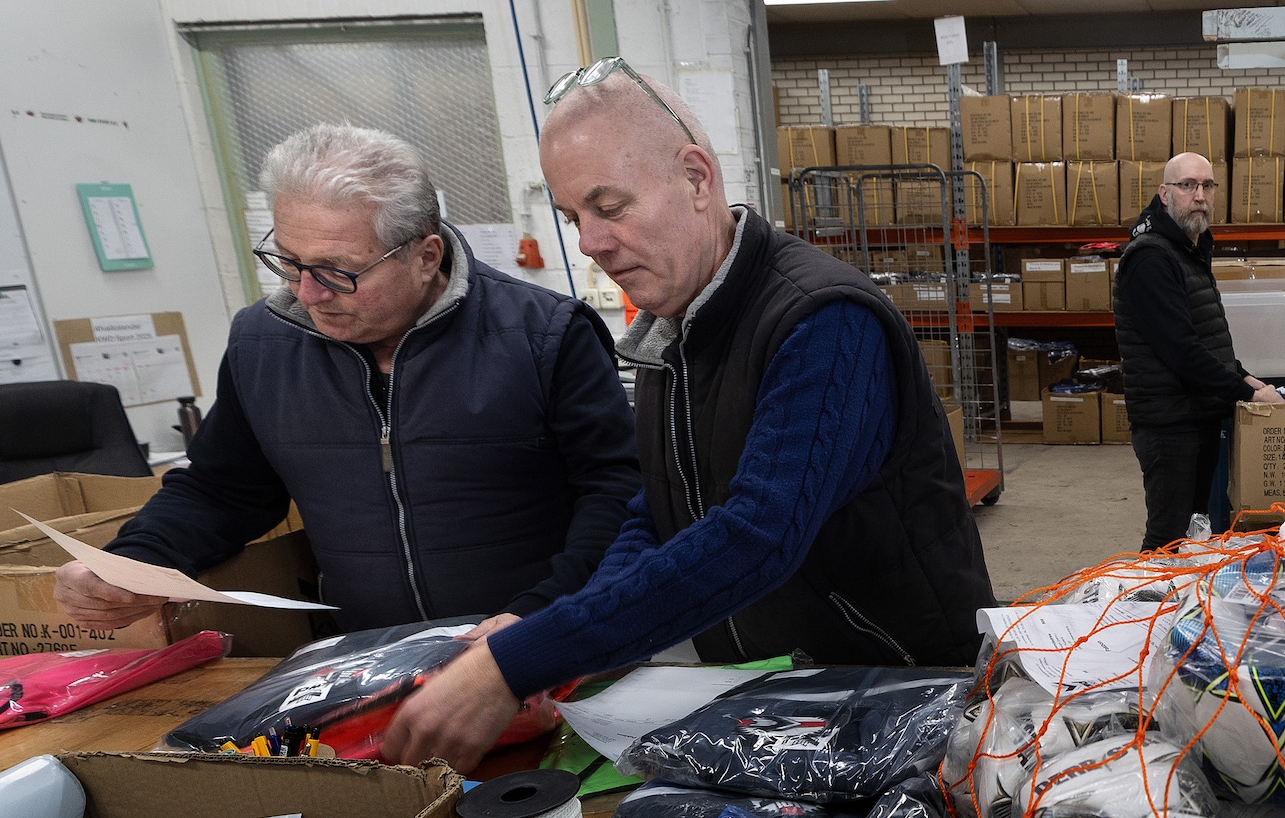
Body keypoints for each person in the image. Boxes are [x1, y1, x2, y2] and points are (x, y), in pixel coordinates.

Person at [380, 63, 993, 771]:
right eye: (574, 217)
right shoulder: (674, 329)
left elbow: (756, 535)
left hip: (904, 692)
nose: (589, 243)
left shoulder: (823, 320)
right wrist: (562, 639)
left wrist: (517, 663)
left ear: (697, 179)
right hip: (779, 693)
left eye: (610, 207)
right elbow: (659, 510)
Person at [54, 124, 639, 635]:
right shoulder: (263, 344)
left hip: (542, 645)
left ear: (425, 256)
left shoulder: (543, 334)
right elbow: (223, 490)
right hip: (369, 658)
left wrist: (541, 618)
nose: (308, 294)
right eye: (289, 262)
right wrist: (134, 561)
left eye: (337, 271)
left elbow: (618, 492)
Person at [1115, 152, 1284, 550]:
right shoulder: (1151, 258)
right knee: (1168, 535)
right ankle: (1149, 590)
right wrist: (1248, 394)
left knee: (1193, 529)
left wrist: (1243, 375)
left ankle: (1179, 590)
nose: (1200, 196)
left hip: (1196, 416)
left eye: (1207, 186)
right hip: (1169, 423)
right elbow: (1181, 351)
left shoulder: (1188, 251)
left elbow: (1204, 337)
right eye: (1188, 185)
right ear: (1164, 193)